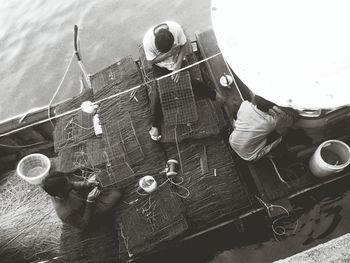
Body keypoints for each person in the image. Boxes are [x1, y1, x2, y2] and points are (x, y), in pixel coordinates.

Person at [143, 21, 225, 141]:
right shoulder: (148, 42)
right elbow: (151, 61)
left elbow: (184, 46)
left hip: (178, 61)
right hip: (161, 66)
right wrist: (169, 54)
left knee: (190, 83)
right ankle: (155, 125)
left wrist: (178, 65)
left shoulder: (176, 29)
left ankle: (216, 96)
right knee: (161, 93)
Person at [42, 170, 122, 230]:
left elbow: (73, 184)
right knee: (116, 193)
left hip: (84, 198)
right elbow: (83, 225)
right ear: (60, 193)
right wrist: (89, 202)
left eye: (69, 182)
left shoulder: (59, 189)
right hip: (90, 211)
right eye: (68, 185)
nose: (71, 184)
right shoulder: (66, 213)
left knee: (100, 174)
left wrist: (86, 183)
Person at [229, 95, 297, 161]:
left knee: (244, 124)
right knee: (284, 129)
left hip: (233, 141)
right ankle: (266, 153)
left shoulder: (245, 105)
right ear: (272, 105)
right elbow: (292, 119)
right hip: (248, 155)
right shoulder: (271, 122)